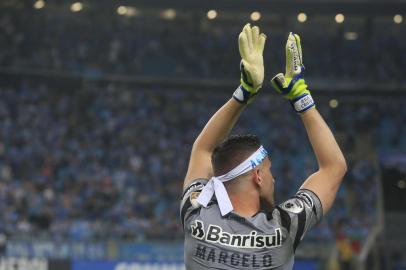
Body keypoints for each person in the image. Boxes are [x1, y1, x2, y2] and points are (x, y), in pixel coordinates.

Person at [180, 23, 347, 269]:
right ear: (258, 175)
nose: (274, 178)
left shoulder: (196, 215)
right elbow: (334, 167)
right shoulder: (283, 229)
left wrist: (244, 92)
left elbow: (203, 149)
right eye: (269, 170)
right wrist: (300, 96)